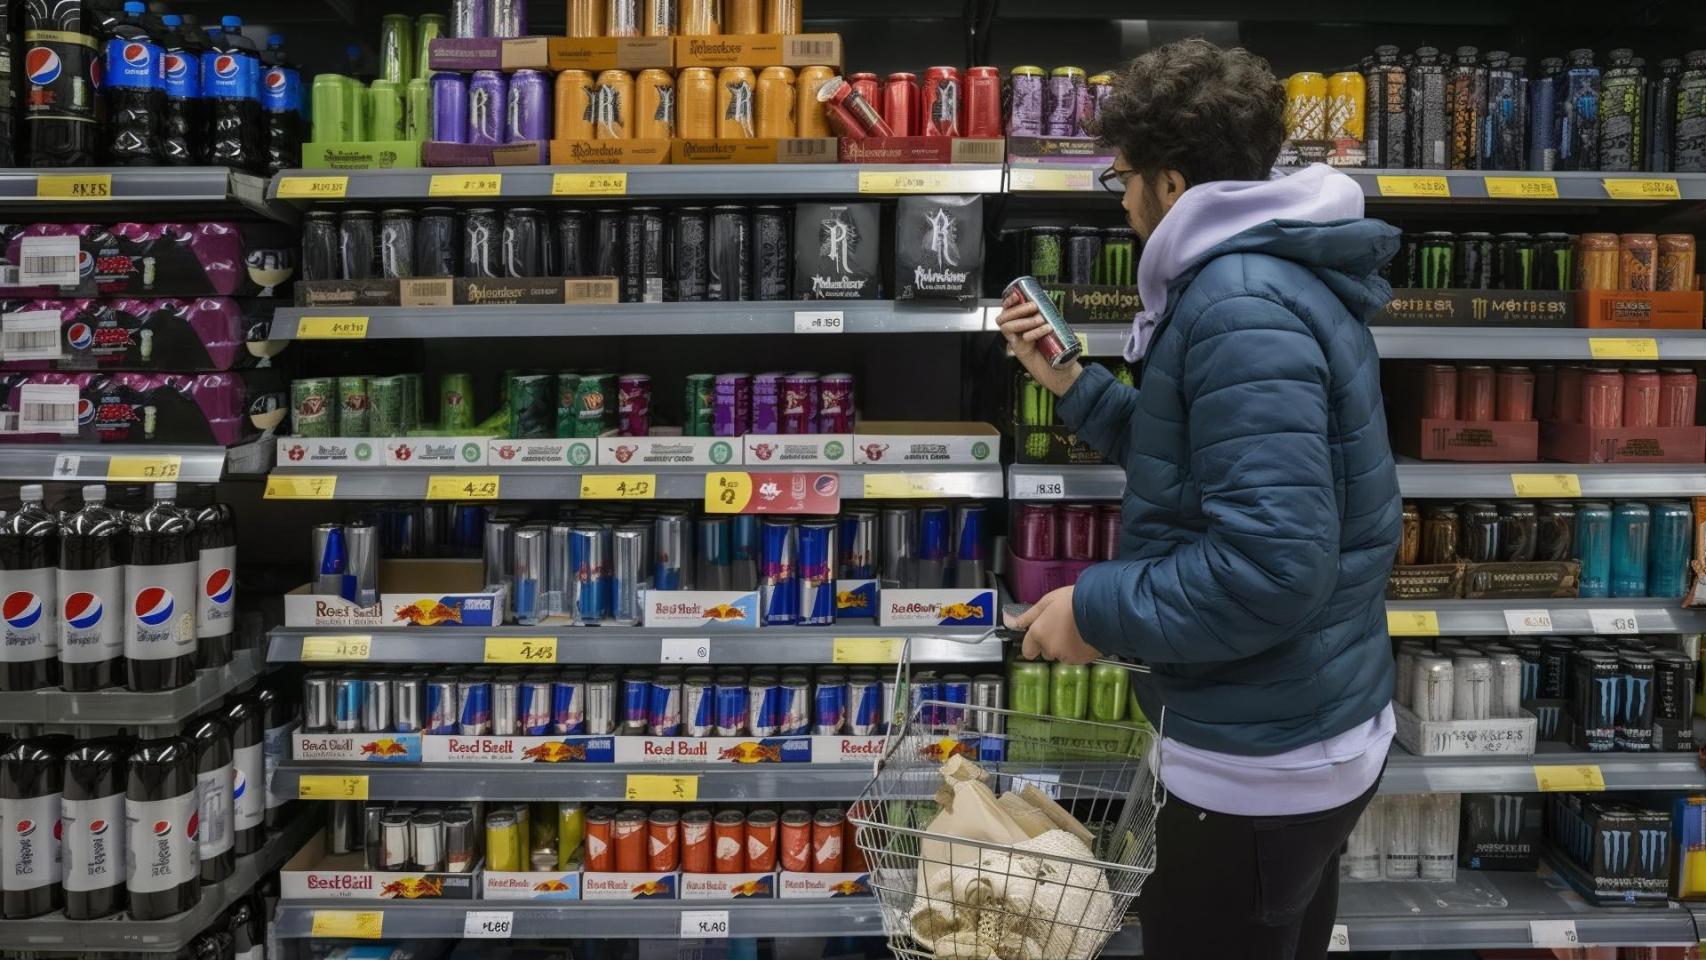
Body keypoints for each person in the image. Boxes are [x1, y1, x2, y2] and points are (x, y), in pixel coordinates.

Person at [996, 39, 1403, 960]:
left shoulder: (1237, 304)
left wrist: (1092, 609)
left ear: (1171, 183)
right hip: (1296, 727)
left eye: (1125, 179)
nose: (1126, 200)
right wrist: (1078, 388)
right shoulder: (1261, 276)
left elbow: (1268, 567)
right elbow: (1212, 465)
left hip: (1264, 762)